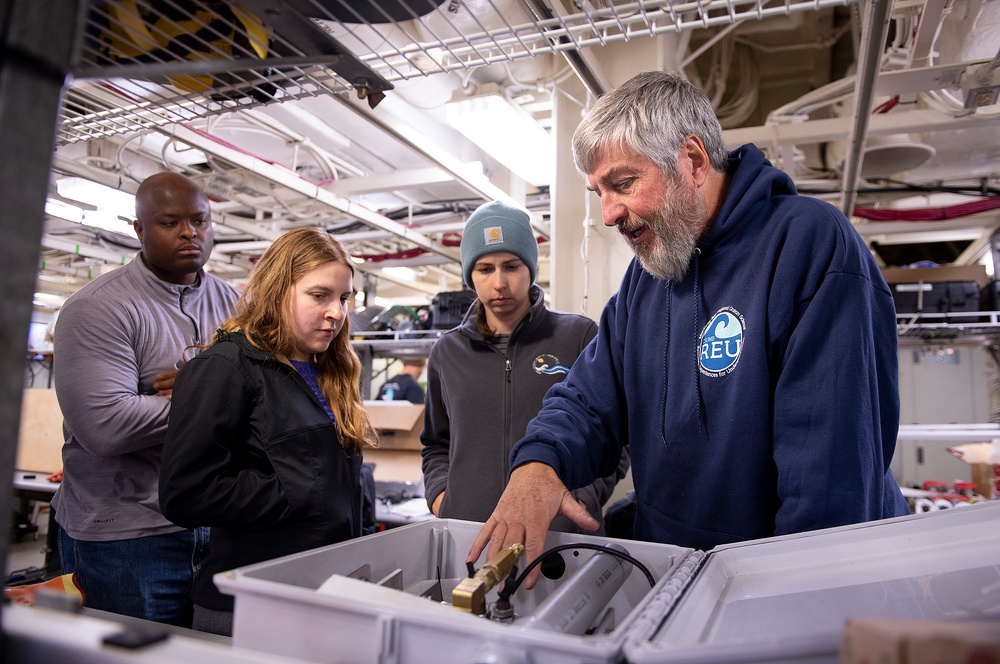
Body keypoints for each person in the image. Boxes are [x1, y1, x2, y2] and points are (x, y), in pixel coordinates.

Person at [469, 71, 910, 585]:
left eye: (623, 183)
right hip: (679, 580)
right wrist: (538, 465)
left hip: (781, 582)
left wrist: (789, 603)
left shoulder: (810, 245)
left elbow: (829, 481)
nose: (608, 214)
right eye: (598, 192)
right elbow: (587, 401)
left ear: (694, 162)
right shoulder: (646, 278)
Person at [159, 227, 376, 636]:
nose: (336, 312)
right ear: (278, 289)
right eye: (319, 295)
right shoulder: (226, 367)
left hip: (323, 591)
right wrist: (302, 492)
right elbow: (186, 492)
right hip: (249, 604)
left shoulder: (330, 370)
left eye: (343, 298)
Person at [51, 171, 239, 625]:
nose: (190, 232)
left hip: (216, 526)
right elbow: (106, 426)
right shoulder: (98, 308)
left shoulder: (234, 304)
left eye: (200, 220)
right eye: (170, 222)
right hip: (126, 539)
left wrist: (198, 389)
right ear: (138, 229)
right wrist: (215, 394)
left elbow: (265, 400)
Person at [421, 200, 629, 531]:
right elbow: (436, 444)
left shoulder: (578, 336)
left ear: (530, 268)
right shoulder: (447, 352)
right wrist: (443, 499)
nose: (499, 283)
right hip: (469, 537)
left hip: (559, 539)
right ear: (470, 276)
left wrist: (584, 498)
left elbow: (614, 436)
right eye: (485, 269)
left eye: (512, 266)